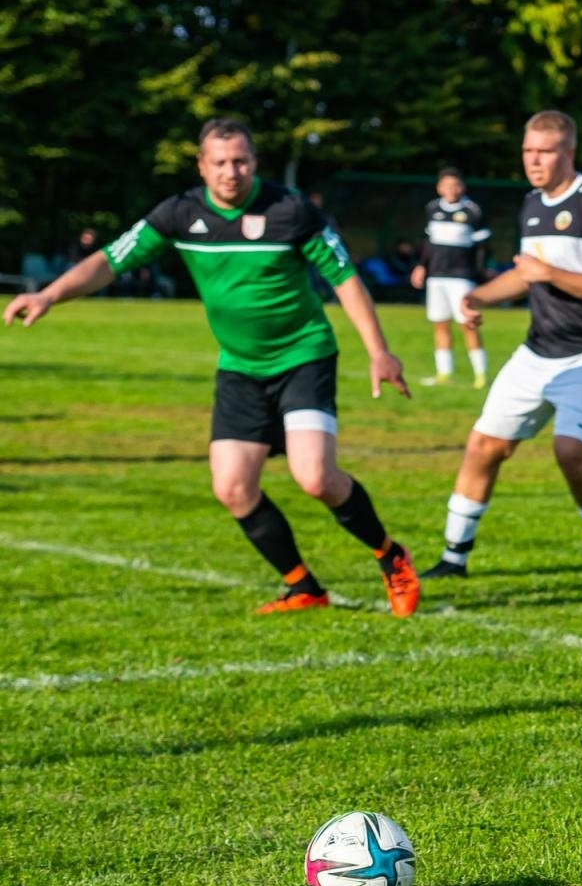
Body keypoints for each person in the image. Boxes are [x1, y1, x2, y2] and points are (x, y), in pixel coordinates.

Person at [3, 118, 420, 616]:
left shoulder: (291, 211)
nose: (231, 172)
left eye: (240, 161)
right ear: (202, 166)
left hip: (303, 356)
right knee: (232, 487)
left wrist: (379, 351)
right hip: (241, 368)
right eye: (220, 163)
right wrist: (49, 294)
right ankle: (303, 586)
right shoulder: (180, 214)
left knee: (315, 478)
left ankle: (390, 555)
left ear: (255, 162)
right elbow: (111, 259)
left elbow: (346, 279)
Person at [419, 111, 582, 590]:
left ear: (568, 153)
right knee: (483, 446)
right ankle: (453, 556)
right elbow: (524, 272)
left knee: (571, 451)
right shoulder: (532, 204)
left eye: (544, 151)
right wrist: (478, 296)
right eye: (528, 151)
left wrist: (549, 274)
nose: (533, 161)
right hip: (537, 350)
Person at [410, 168, 491, 388]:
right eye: (446, 186)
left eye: (455, 186)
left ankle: (481, 374)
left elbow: (482, 246)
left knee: (468, 324)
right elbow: (428, 243)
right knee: (440, 324)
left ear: (462, 187)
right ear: (439, 188)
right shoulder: (432, 208)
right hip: (436, 276)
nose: (451, 190)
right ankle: (444, 373)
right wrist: (421, 267)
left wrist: (479, 273)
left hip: (461, 277)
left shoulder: (472, 210)